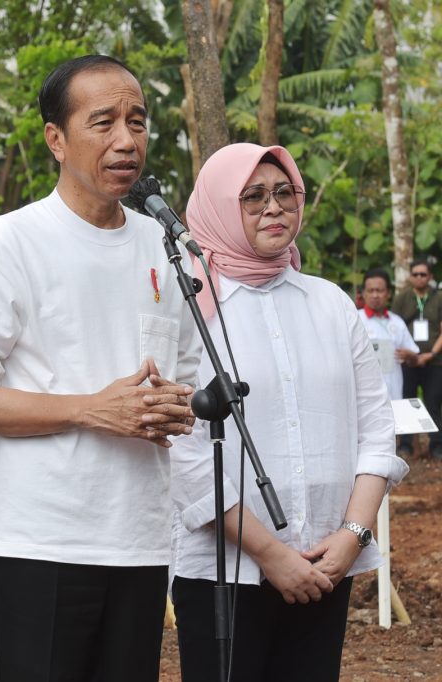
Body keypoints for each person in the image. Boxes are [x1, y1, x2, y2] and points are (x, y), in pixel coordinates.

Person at [0, 54, 201, 681]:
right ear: (56, 139)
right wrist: (88, 409)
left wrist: (175, 405)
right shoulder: (11, 241)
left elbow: (186, 379)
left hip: (139, 538)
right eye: (102, 122)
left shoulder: (162, 244)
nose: (126, 140)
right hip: (42, 542)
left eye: (137, 121)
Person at [169, 142, 409, 682]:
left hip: (327, 564)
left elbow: (376, 431)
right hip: (222, 574)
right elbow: (181, 453)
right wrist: (271, 555)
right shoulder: (190, 310)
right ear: (218, 208)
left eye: (284, 193)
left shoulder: (330, 304)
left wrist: (352, 535)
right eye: (252, 197)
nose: (273, 208)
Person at [392, 258, 442, 457]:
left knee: (433, 400)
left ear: (430, 277)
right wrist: (410, 356)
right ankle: (405, 445)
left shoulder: (438, 298)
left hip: (435, 360)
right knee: (407, 401)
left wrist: (432, 354)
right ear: (410, 277)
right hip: (407, 361)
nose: (419, 278)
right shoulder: (402, 298)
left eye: (423, 274)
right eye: (415, 274)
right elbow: (394, 326)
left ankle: (436, 445)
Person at [360, 268, 419, 400]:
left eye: (379, 290)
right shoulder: (355, 320)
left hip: (394, 394)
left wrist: (409, 356)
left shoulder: (397, 322)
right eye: (371, 291)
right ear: (363, 293)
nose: (375, 295)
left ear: (388, 293)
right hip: (365, 396)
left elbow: (415, 358)